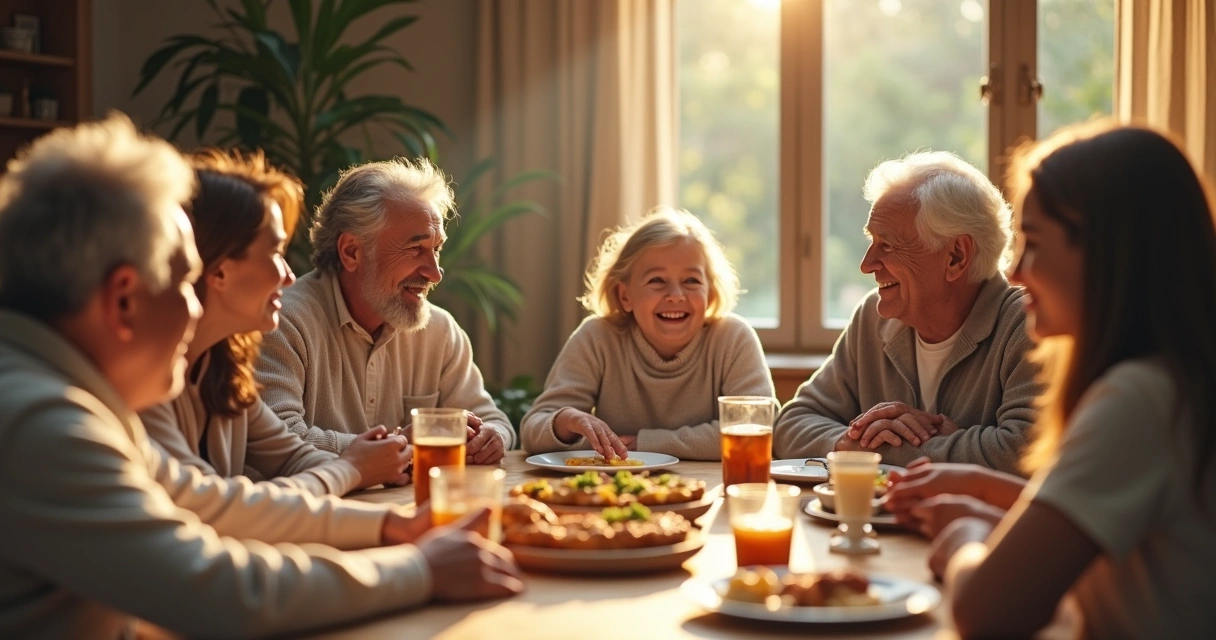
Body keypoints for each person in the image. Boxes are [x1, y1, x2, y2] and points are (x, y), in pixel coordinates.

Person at [0, 115, 522, 638]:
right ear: (123, 299)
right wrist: (421, 568)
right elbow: (219, 592)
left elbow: (212, 502)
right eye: (186, 281)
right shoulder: (43, 423)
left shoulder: (63, 400)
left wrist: (393, 525)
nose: (197, 306)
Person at [923, 122, 1216, 638]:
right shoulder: (1178, 381)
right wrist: (988, 503)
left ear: (1107, 251)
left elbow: (986, 613)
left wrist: (966, 538)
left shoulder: (1141, 400)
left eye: (1032, 243)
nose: (1014, 272)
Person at [140, 150, 412, 496]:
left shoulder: (222, 368)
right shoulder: (147, 383)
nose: (288, 276)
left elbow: (293, 457)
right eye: (276, 254)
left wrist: (375, 462)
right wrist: (354, 470)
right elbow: (218, 507)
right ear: (219, 270)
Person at [774, 151, 1041, 474]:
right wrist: (848, 444)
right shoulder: (873, 318)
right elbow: (791, 423)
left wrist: (890, 451)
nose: (866, 264)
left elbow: (1024, 452)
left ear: (956, 256)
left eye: (887, 245)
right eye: (871, 241)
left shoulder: (1028, 324)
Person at [257, 158, 512, 464]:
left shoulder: (440, 331)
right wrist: (397, 444)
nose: (435, 273)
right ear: (352, 251)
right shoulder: (281, 320)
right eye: (415, 248)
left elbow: (492, 420)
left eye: (437, 249)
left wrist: (492, 437)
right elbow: (274, 443)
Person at [520, 207, 774, 460]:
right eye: (656, 281)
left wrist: (648, 443)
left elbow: (758, 427)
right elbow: (533, 431)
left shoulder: (733, 338)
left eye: (692, 281)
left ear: (710, 294)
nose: (676, 295)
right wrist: (566, 421)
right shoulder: (597, 337)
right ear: (625, 296)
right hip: (617, 491)